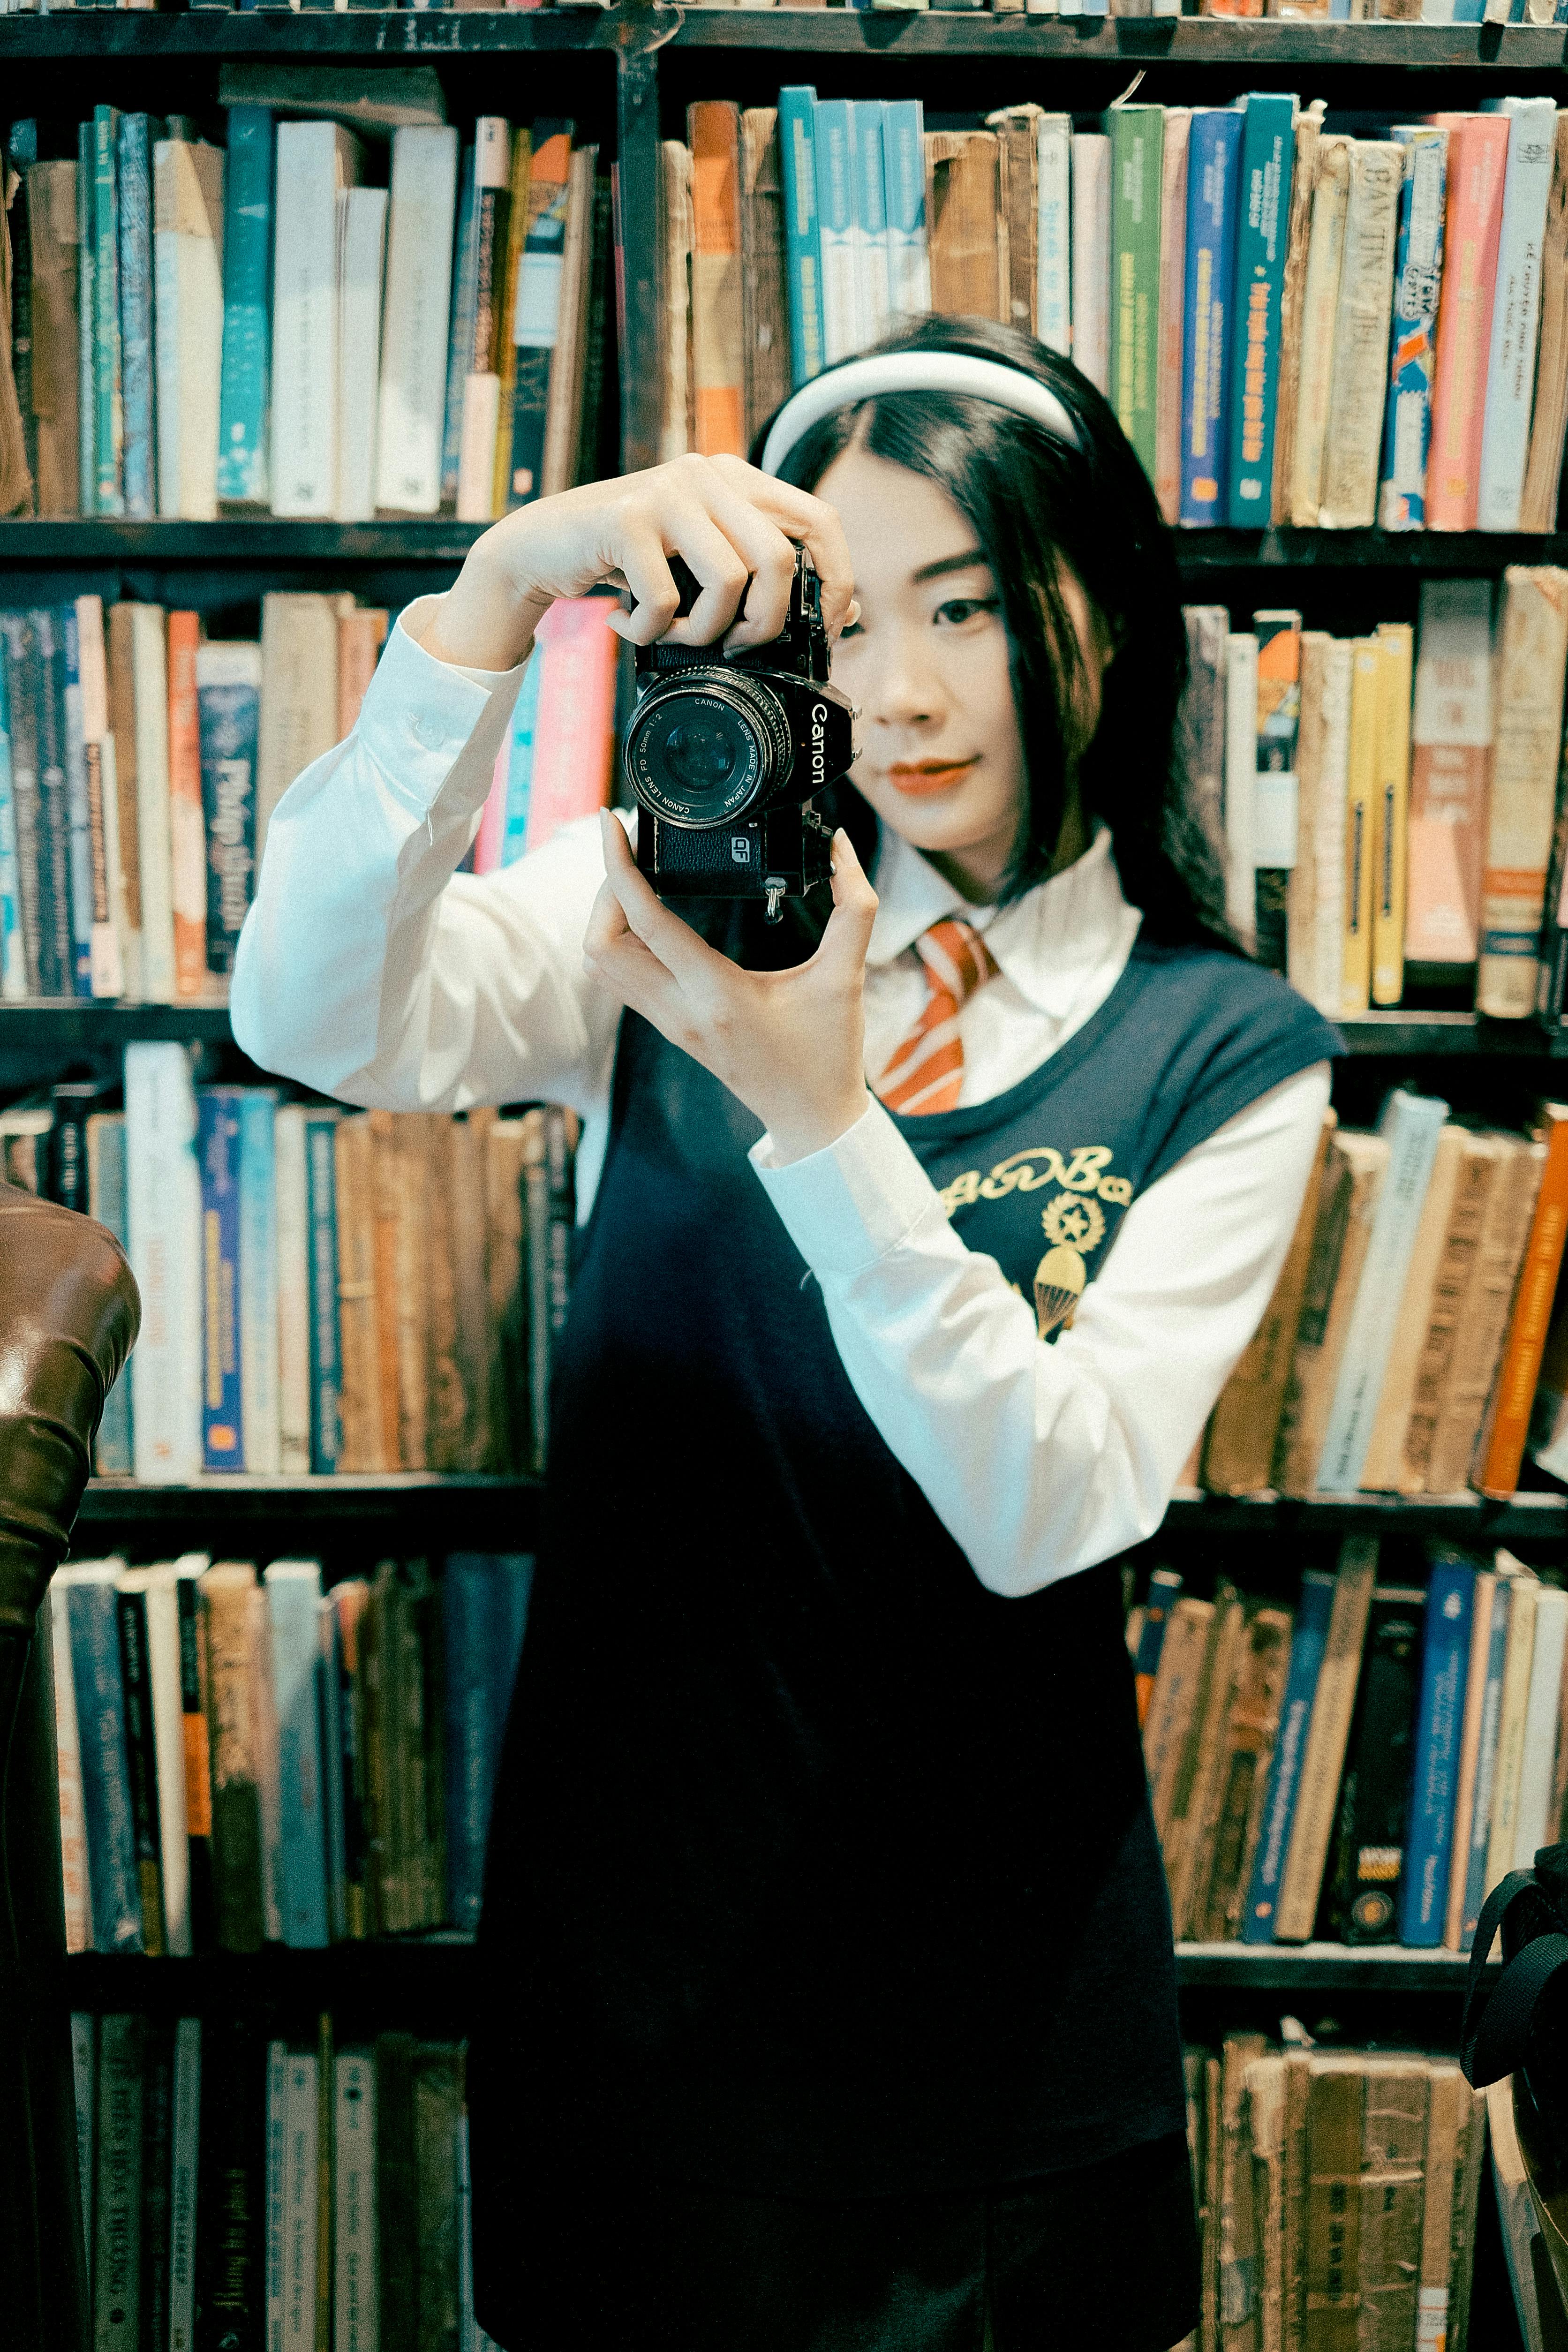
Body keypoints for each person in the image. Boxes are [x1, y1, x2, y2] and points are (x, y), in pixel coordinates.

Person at [231, 315, 1341, 2352]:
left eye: (967, 606)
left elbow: (1049, 1507)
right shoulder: (670, 910)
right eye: (846, 621)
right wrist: (491, 604)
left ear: (1100, 613)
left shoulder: (1227, 1047)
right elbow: (310, 1018)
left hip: (995, 2031)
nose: (900, 693)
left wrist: (822, 1115)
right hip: (641, 1977)